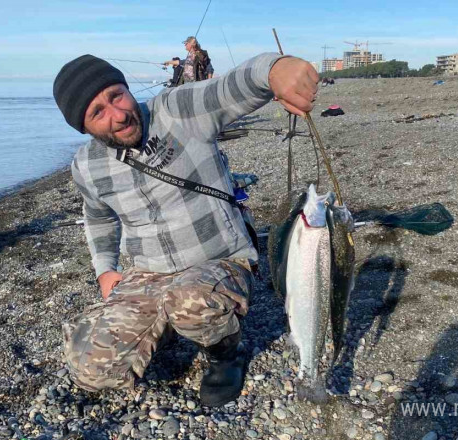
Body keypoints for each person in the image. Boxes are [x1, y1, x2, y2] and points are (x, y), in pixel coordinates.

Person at [53, 52, 318, 407]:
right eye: (97, 112)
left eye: (116, 95)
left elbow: (231, 88)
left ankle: (226, 354)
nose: (117, 115)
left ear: (128, 89)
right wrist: (105, 270)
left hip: (219, 260)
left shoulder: (177, 110)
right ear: (84, 128)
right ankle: (161, 325)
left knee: (190, 299)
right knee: (91, 369)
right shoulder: (85, 166)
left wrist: (274, 70)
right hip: (146, 275)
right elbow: (99, 217)